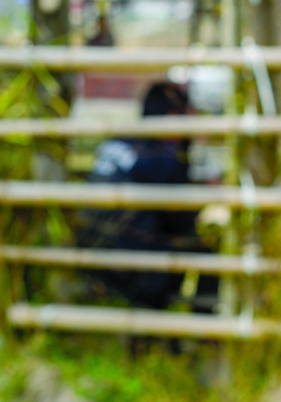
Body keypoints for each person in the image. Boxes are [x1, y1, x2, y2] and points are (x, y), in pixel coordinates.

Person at [77, 82, 216, 311]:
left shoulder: (120, 140)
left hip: (88, 257)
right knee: (203, 249)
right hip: (131, 271)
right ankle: (202, 326)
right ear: (172, 117)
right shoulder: (161, 155)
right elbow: (182, 221)